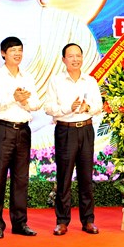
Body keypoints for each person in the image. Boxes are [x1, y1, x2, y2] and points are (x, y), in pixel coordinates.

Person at [0, 37, 40, 239]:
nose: (17, 54)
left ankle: (20, 223)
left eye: (20, 50)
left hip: (23, 130)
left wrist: (24, 102)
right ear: (3, 53)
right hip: (3, 129)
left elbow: (36, 104)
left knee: (21, 179)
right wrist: (13, 98)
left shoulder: (27, 77)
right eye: (13, 50)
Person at [45, 43, 102, 235]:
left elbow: (99, 105)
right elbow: (49, 108)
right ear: (64, 60)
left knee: (86, 177)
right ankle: (62, 221)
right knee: (64, 177)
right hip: (65, 131)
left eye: (78, 56)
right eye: (71, 56)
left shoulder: (90, 81)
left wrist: (88, 107)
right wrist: (68, 108)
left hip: (85, 129)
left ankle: (88, 220)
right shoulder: (56, 81)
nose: (75, 59)